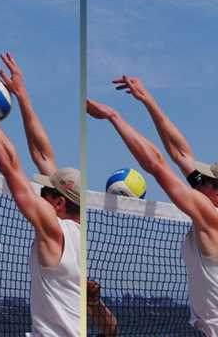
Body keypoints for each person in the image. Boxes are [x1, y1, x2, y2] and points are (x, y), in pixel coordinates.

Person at [0, 54, 80, 336]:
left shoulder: (55, 230)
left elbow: (9, 165)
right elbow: (43, 155)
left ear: (59, 203)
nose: (39, 191)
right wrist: (22, 96)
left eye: (45, 191)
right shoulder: (79, 230)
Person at [87, 77, 218, 335]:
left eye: (206, 180)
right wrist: (148, 101)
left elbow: (156, 165)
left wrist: (113, 116)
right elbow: (180, 154)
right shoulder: (208, 207)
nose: (197, 181)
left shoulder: (210, 217)